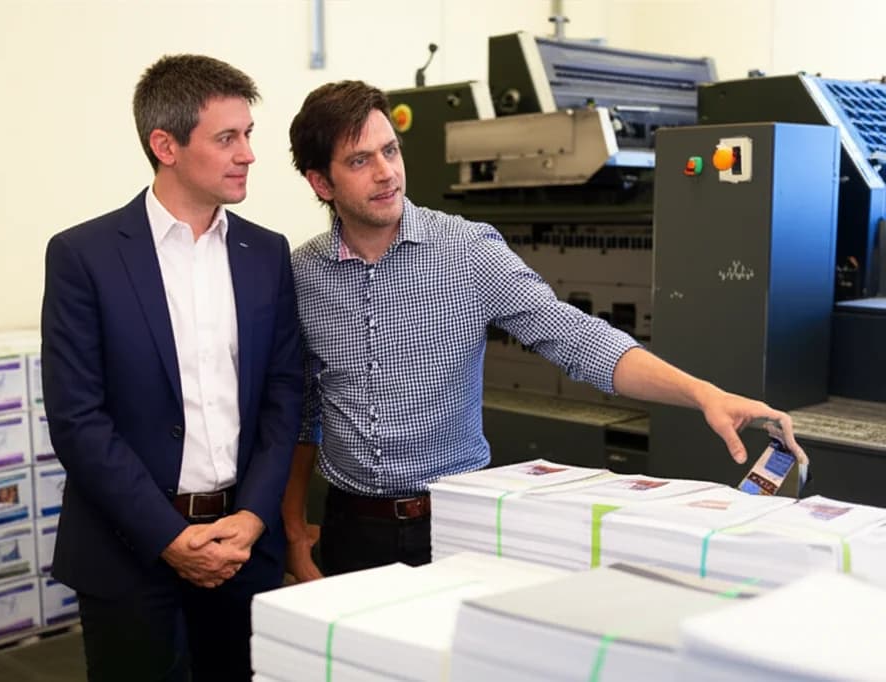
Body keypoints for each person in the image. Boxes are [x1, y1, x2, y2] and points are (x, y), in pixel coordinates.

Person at [281, 80, 807, 580]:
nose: (386, 173)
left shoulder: (466, 251)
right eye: (360, 161)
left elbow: (577, 338)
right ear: (321, 183)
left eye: (390, 151)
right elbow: (303, 412)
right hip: (352, 527)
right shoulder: (301, 274)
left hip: (458, 518)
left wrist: (702, 393)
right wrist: (294, 531)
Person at [41, 54, 302, 681]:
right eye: (227, 138)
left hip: (243, 546)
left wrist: (253, 516)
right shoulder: (84, 256)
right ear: (166, 146)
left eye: (248, 135)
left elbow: (284, 393)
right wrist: (168, 537)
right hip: (127, 549)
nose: (248, 155)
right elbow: (78, 419)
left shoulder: (265, 252)